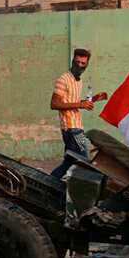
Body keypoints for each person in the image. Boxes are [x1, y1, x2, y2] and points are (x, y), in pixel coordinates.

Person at [50, 48, 106, 180]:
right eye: (77, 62)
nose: (79, 66)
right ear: (73, 61)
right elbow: (54, 104)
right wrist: (80, 105)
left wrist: (89, 101)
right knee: (84, 160)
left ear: (87, 64)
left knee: (70, 162)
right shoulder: (63, 79)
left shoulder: (79, 81)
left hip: (77, 127)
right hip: (72, 129)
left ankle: (50, 182)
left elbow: (70, 102)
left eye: (83, 63)